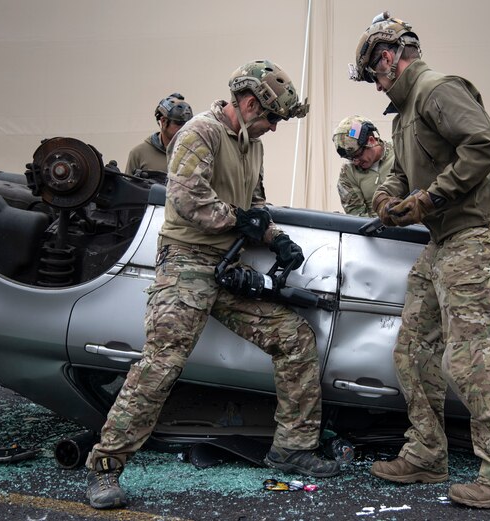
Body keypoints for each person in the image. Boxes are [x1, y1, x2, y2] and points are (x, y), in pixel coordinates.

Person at [86, 60, 340, 510]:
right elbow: (187, 197)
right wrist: (241, 221)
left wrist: (276, 239)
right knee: (162, 362)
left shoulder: (252, 145)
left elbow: (255, 205)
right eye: (273, 118)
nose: (274, 128)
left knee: (294, 337)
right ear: (249, 104)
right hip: (185, 264)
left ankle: (292, 448)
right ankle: (105, 466)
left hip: (227, 267)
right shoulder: (200, 133)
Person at [349, 12, 490, 508]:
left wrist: (430, 199)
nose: (375, 86)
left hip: (473, 234)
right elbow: (401, 172)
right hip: (443, 240)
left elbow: (485, 145)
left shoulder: (436, 90)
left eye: (373, 76)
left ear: (387, 59)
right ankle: (427, 453)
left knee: (469, 355)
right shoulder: (405, 114)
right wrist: (387, 198)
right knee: (412, 347)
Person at [332, 115, 395, 216]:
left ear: (371, 141)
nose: (356, 162)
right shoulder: (348, 172)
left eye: (357, 155)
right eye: (351, 158)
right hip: (376, 224)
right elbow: (357, 215)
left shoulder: (399, 150)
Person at [124, 93, 194, 177]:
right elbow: (127, 184)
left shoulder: (195, 153)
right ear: (163, 121)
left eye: (187, 124)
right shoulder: (139, 154)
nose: (183, 129)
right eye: (178, 123)